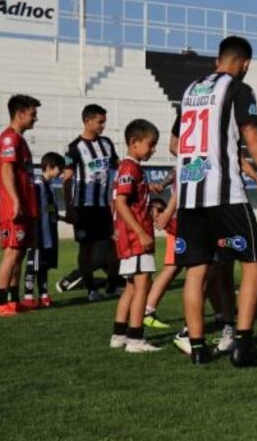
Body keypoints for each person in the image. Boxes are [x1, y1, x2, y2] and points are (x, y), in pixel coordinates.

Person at [171, 35, 257, 367]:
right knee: (254, 263)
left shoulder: (190, 90)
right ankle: (243, 346)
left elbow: (175, 145)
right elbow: (251, 135)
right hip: (225, 194)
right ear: (245, 63)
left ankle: (197, 348)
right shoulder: (237, 88)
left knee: (196, 271)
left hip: (191, 196)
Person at [58, 104, 120, 301]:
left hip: (104, 207)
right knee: (86, 249)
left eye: (104, 121)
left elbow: (117, 167)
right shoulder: (74, 148)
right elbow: (66, 180)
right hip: (84, 208)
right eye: (100, 122)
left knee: (115, 246)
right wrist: (69, 207)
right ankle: (91, 289)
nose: (103, 125)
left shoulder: (107, 144)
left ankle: (112, 285)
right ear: (88, 121)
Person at [109, 119, 160, 353]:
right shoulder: (130, 167)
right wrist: (141, 232)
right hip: (135, 238)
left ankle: (119, 334)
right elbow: (121, 202)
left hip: (127, 237)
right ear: (134, 143)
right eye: (150, 144)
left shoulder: (130, 168)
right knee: (142, 285)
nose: (153, 149)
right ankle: (136, 338)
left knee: (131, 286)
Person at [0, 95, 41, 317]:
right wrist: (16, 201)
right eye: (32, 114)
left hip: (25, 206)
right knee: (11, 253)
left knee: (19, 254)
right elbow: (6, 170)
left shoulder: (19, 140)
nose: (35, 118)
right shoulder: (9, 139)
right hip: (14, 207)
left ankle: (13, 299)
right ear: (20, 113)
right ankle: (0, 302)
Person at [21, 151, 64, 310]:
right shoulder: (37, 185)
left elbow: (50, 209)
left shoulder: (48, 186)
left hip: (49, 234)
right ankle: (28, 296)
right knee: (33, 266)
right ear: (49, 167)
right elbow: (33, 210)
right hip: (38, 234)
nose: (61, 172)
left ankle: (44, 295)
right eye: (59, 168)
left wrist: (60, 218)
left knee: (43, 266)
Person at [143, 196, 177, 329]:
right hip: (183, 222)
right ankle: (147, 311)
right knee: (171, 268)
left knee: (213, 270)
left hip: (183, 219)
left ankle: (223, 313)